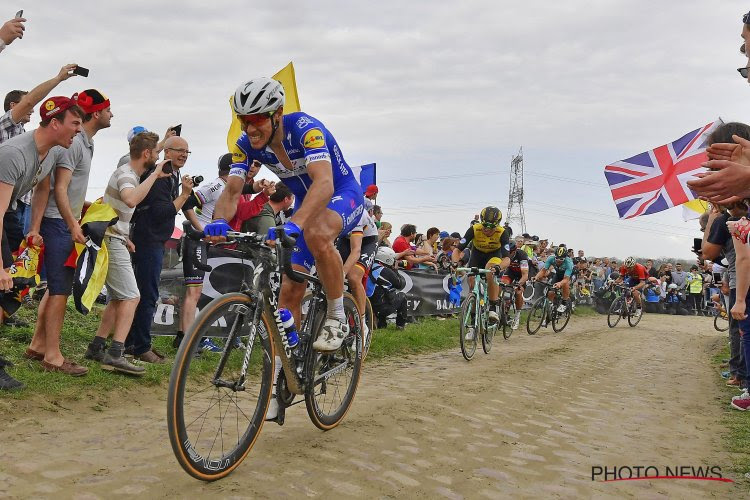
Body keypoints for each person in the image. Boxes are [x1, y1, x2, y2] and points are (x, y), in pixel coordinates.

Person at [204, 78, 364, 420]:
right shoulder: (246, 144)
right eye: (244, 119)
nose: (250, 127)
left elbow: (324, 182)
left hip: (341, 193)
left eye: (258, 118)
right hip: (308, 202)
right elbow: (232, 190)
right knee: (290, 289)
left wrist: (295, 222)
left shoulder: (306, 130)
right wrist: (218, 222)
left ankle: (337, 317)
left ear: (277, 114)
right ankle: (283, 376)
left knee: (319, 234)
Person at [26, 89, 112, 373]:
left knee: (55, 289)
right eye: (108, 110)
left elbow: (57, 188)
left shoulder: (84, 143)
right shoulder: (73, 144)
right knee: (60, 290)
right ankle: (53, 355)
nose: (112, 115)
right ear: (96, 113)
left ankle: (39, 345)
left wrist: (87, 209)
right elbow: (54, 188)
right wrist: (73, 224)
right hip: (59, 223)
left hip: (61, 221)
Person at [0, 96, 83, 377]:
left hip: (8, 214)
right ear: (55, 123)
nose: (79, 130)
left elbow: (42, 191)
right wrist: (0, 266)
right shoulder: (14, 153)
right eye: (75, 123)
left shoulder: (50, 152)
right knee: (4, 287)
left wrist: (34, 228)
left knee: (10, 293)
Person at [85, 132, 169, 375]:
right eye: (156, 153)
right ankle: (116, 353)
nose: (157, 157)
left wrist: (125, 237)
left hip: (114, 237)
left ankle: (97, 346)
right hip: (111, 240)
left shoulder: (130, 174)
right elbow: (130, 199)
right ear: (147, 154)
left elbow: (116, 209)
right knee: (132, 297)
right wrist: (155, 174)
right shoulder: (126, 174)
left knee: (118, 298)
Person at [126, 136, 194, 362]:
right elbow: (162, 212)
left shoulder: (170, 174)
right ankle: (139, 346)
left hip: (154, 239)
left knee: (144, 292)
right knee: (147, 293)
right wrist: (184, 195)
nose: (184, 155)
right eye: (179, 150)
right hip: (148, 240)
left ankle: (135, 342)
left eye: (187, 151)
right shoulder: (161, 175)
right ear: (167, 151)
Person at [453, 206, 510, 331]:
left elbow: (507, 259)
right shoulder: (474, 229)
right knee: (473, 285)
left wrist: (499, 267)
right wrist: (455, 263)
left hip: (494, 256)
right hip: (477, 256)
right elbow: (457, 250)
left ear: (497, 225)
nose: (487, 230)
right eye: (484, 226)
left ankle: (493, 307)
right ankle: (473, 324)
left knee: (490, 270)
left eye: (491, 227)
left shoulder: (502, 232)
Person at [338, 199, 379, 347]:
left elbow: (356, 251)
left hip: (367, 241)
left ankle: (361, 325)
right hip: (345, 238)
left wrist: (343, 273)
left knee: (353, 277)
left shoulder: (357, 215)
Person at [367, 246, 407, 330]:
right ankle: (400, 326)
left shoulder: (369, 266)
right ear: (387, 259)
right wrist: (395, 270)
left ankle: (381, 324)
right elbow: (400, 284)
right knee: (402, 296)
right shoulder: (385, 271)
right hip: (380, 307)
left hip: (367, 305)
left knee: (383, 291)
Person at [533, 245, 574, 319]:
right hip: (558, 275)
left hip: (566, 276)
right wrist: (536, 277)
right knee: (550, 292)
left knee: (565, 284)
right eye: (557, 258)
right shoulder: (551, 258)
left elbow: (566, 279)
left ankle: (564, 302)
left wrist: (560, 283)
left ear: (565, 258)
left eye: (561, 259)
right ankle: (551, 310)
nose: (558, 260)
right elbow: (543, 271)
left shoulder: (569, 262)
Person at [501, 241, 529, 329]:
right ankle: (503, 310)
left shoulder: (522, 255)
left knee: (518, 292)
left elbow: (525, 275)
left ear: (514, 251)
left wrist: (518, 284)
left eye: (510, 253)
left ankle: (517, 316)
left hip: (522, 274)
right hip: (511, 272)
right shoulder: (504, 254)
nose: (507, 254)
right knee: (503, 285)